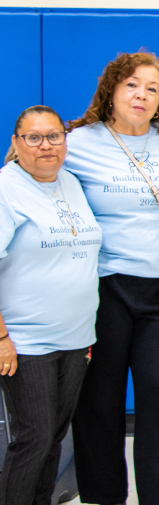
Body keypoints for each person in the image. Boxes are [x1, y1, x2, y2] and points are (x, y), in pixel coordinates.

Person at [63, 52, 159, 505]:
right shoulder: (78, 142)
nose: (142, 95)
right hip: (104, 289)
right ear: (111, 91)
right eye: (132, 85)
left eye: (152, 87)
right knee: (99, 404)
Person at [0, 106, 102, 505]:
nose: (46, 146)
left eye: (54, 136)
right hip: (27, 341)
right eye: (34, 137)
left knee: (55, 439)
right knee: (33, 439)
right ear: (16, 143)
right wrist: (2, 336)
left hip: (75, 338)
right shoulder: (6, 188)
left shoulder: (71, 183)